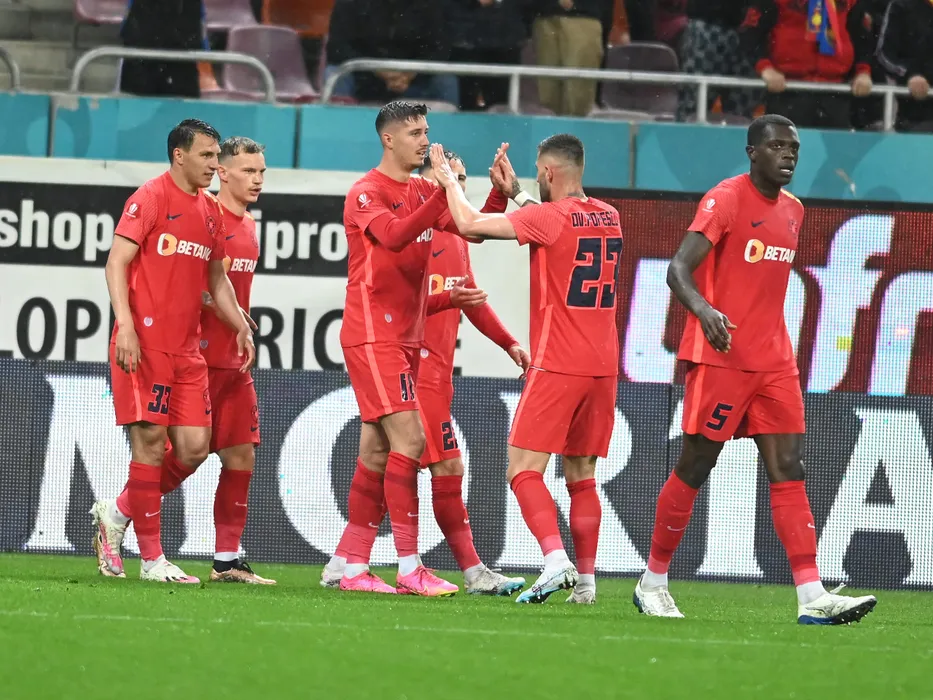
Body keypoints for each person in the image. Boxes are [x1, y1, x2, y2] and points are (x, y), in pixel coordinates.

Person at [632, 114, 878, 625]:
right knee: (696, 465)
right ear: (752, 152)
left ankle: (811, 596)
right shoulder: (725, 199)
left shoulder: (794, 210)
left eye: (795, 148)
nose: (788, 155)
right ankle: (652, 582)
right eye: (778, 147)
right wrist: (705, 311)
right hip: (723, 355)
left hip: (774, 360)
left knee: (789, 466)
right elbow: (678, 269)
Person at [322, 150, 530, 595]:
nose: (459, 184)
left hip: (431, 367)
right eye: (451, 177)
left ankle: (347, 561)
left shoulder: (452, 235)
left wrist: (509, 343)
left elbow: (472, 270)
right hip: (411, 366)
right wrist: (447, 300)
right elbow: (405, 282)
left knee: (377, 455)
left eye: (462, 177)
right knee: (437, 462)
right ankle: (455, 569)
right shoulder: (420, 228)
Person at [429, 135, 623, 605]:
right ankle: (587, 585)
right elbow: (556, 222)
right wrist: (516, 192)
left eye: (538, 174)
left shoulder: (548, 218)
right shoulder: (609, 215)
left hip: (559, 361)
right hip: (604, 366)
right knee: (581, 474)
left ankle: (555, 561)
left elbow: (469, 223)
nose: (537, 180)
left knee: (522, 469)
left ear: (550, 172)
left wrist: (448, 181)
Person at [90, 119, 256, 584]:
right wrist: (125, 325)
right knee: (148, 445)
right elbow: (116, 262)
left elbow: (217, 279)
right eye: (206, 155)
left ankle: (116, 514)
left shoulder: (210, 212)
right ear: (179, 155)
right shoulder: (150, 197)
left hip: (187, 351)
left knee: (194, 448)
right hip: (145, 345)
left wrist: (239, 324)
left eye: (216, 155)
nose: (214, 164)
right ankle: (152, 560)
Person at [334, 101, 488, 596]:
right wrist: (441, 191)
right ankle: (408, 566)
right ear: (389, 139)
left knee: (378, 452)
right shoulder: (366, 192)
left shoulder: (422, 190)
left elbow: (470, 229)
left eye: (426, 131)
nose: (425, 140)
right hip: (373, 334)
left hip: (405, 338)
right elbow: (396, 236)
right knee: (412, 440)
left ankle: (352, 568)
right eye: (416, 133)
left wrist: (496, 194)